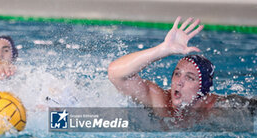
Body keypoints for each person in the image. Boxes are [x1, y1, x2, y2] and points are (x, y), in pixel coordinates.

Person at [108, 16, 255, 127]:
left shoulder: (219, 108)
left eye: (190, 78)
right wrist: (162, 50)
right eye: (177, 74)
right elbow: (116, 74)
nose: (179, 82)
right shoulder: (160, 100)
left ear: (202, 88)